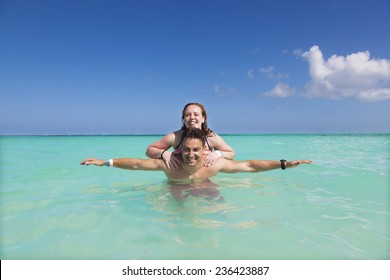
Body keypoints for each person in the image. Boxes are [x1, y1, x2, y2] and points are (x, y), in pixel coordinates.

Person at [81, 128, 312, 185]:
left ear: (205, 151)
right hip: (176, 187)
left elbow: (250, 166)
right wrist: (105, 163)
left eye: (196, 150)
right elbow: (136, 164)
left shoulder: (215, 164)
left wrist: (284, 164)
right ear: (179, 150)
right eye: (187, 150)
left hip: (205, 185)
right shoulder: (169, 165)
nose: (191, 155)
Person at [145, 102, 235, 169]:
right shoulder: (176, 137)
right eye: (188, 115)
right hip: (178, 180)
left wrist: (218, 153)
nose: (192, 118)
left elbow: (231, 154)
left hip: (203, 179)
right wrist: (163, 153)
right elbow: (149, 151)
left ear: (203, 118)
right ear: (183, 119)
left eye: (196, 114)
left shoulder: (210, 137)